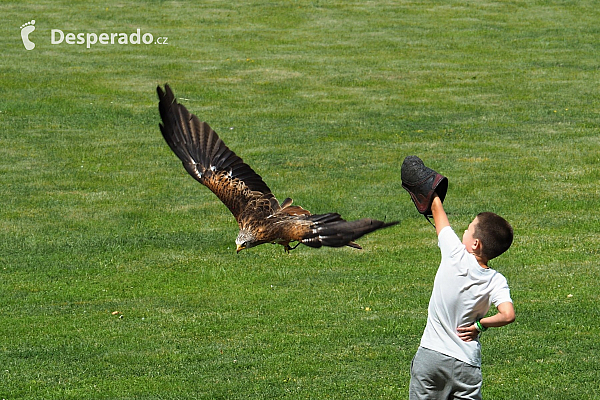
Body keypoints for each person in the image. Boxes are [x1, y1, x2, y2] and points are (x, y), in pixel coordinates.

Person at [409, 193, 515, 400]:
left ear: (475, 244)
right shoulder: (496, 280)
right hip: (466, 364)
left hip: (431, 357)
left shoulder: (454, 253)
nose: (464, 231)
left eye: (468, 228)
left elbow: (437, 211)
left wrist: (433, 190)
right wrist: (480, 326)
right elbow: (508, 314)